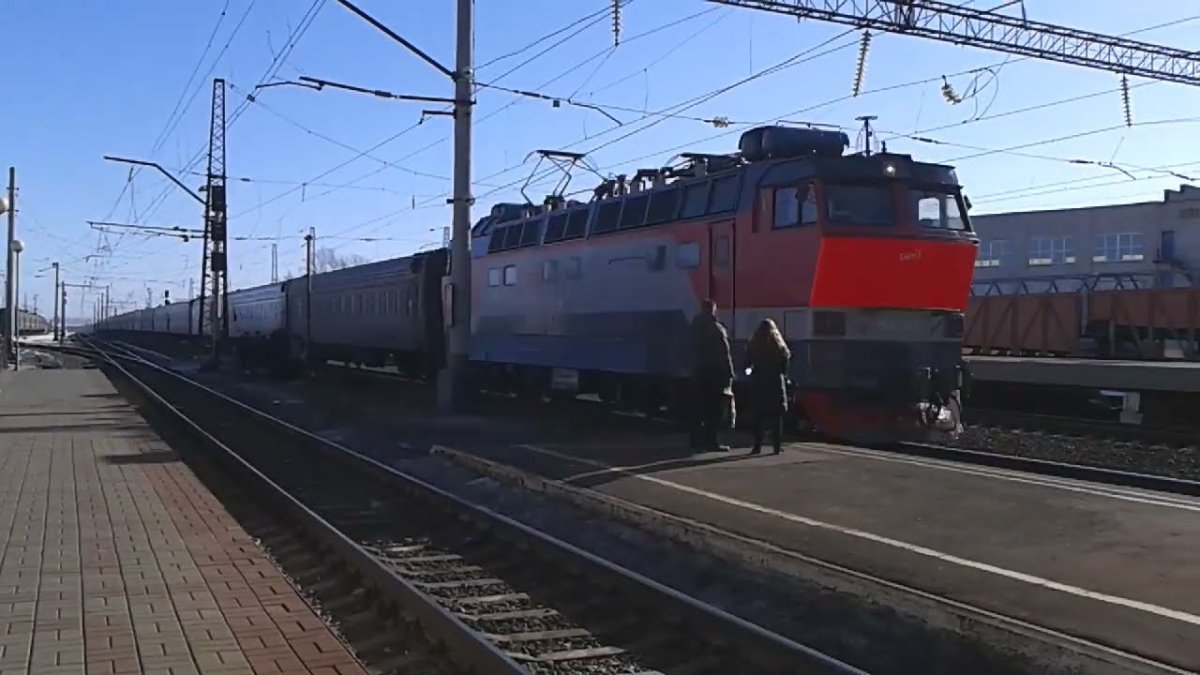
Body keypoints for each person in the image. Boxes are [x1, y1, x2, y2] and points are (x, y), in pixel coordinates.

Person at [688, 298, 734, 452]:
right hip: (713, 374)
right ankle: (711, 442)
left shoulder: (693, 327)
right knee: (713, 410)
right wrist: (729, 373)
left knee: (697, 408)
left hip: (697, 372)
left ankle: (694, 440)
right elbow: (724, 353)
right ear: (713, 309)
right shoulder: (716, 329)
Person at [744, 318, 790, 454]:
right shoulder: (779, 345)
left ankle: (757, 446)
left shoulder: (754, 345)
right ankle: (776, 446)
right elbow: (785, 363)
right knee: (776, 417)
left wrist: (750, 372)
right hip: (775, 382)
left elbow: (746, 363)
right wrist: (782, 375)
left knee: (758, 416)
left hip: (759, 382)